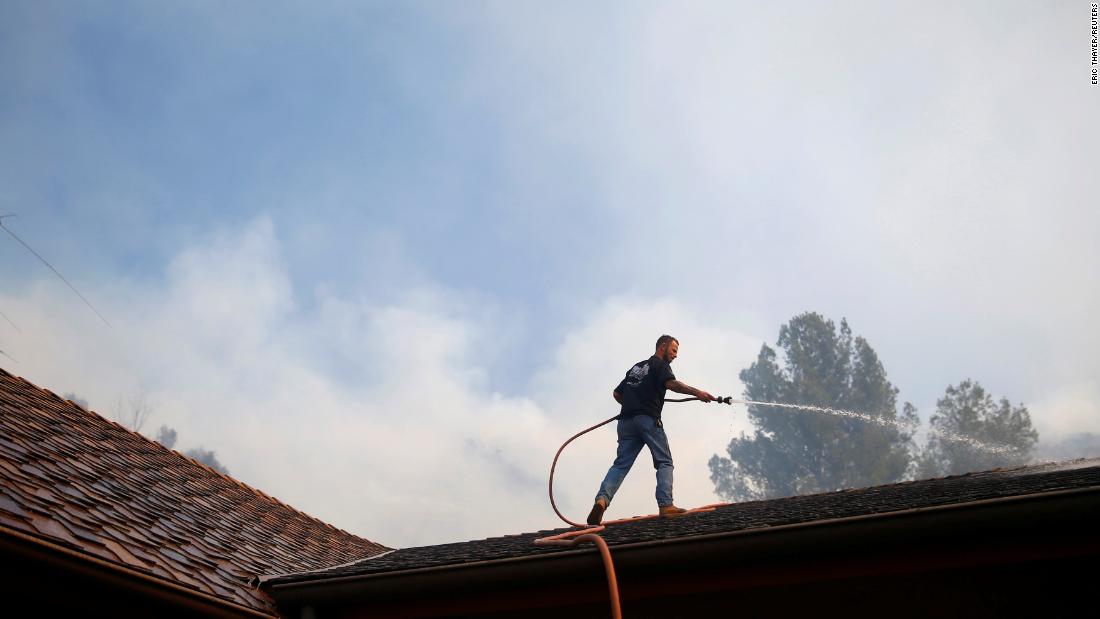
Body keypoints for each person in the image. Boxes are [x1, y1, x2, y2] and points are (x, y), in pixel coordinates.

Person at [588, 335, 715, 525]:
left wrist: (633, 404)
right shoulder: (660, 365)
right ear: (662, 347)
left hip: (625, 423)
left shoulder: (636, 367)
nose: (675, 355)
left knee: (621, 465)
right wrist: (698, 393)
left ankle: (601, 500)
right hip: (647, 420)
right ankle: (666, 505)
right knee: (664, 461)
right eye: (673, 350)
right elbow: (672, 384)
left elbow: (617, 393)